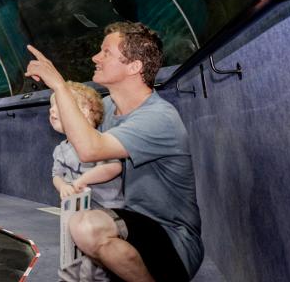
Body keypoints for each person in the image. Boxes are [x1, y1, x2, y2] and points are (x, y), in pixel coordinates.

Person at [26, 22, 203, 282]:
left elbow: (89, 149)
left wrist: (60, 86)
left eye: (106, 52)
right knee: (82, 231)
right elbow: (74, 124)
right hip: (126, 224)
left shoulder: (158, 118)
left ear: (134, 67)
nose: (95, 57)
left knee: (86, 227)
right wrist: (58, 92)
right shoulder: (106, 107)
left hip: (172, 241)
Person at [50, 82, 122, 208]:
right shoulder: (60, 149)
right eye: (51, 105)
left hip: (107, 208)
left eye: (59, 105)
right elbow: (56, 175)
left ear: (84, 112)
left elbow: (113, 167)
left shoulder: (99, 141)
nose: (51, 109)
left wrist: (82, 180)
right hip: (77, 207)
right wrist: (63, 186)